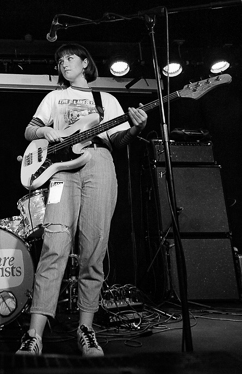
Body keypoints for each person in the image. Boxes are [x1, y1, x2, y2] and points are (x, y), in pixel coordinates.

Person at [16, 43, 147, 356]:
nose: (63, 63)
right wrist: (44, 132)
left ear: (86, 63)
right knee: (54, 244)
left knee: (94, 248)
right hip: (61, 172)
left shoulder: (106, 99)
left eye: (69, 58)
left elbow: (118, 139)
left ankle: (86, 329)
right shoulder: (54, 97)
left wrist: (137, 126)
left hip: (98, 163)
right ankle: (34, 335)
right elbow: (29, 130)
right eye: (59, 60)